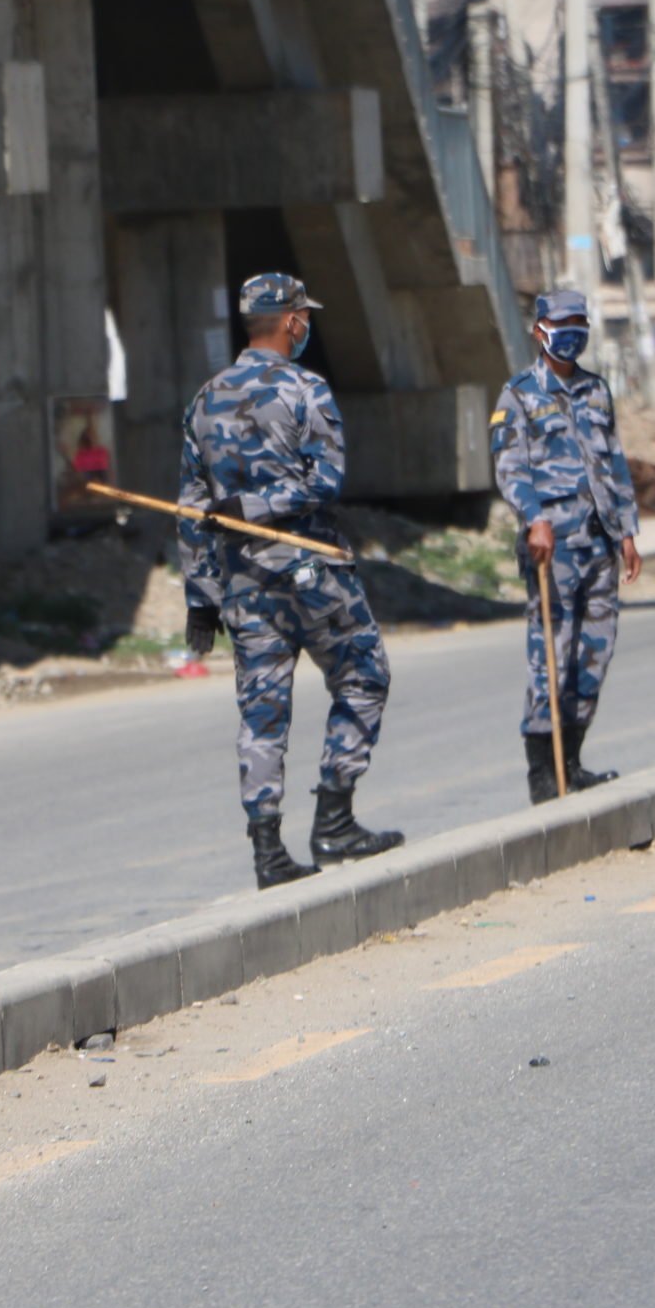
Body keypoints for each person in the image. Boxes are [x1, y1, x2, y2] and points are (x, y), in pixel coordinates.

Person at [179, 273, 404, 889]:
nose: (307, 325)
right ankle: (334, 817)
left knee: (262, 712)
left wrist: (201, 596)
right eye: (305, 316)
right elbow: (326, 479)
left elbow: (191, 506)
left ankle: (268, 851)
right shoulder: (306, 389)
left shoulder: (205, 398)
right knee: (364, 674)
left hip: (244, 582)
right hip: (309, 571)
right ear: (292, 322)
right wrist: (259, 509)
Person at [490, 287, 644, 804]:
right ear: (539, 330)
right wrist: (533, 519)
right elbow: (510, 469)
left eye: (580, 322)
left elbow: (614, 462)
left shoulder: (597, 391)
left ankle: (571, 760)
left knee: (594, 651)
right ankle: (542, 771)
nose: (572, 331)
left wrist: (626, 531)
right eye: (563, 323)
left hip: (598, 542)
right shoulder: (518, 395)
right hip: (551, 548)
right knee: (550, 654)